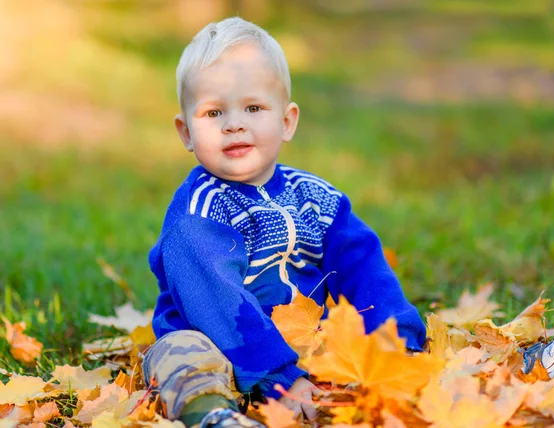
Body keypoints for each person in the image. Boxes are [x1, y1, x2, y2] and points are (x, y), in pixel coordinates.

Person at [144, 16, 425, 428]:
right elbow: (218, 305)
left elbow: (364, 268)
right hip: (220, 344)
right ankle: (214, 416)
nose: (234, 123)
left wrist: (396, 340)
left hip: (303, 345)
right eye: (213, 112)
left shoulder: (315, 198)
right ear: (186, 132)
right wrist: (279, 376)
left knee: (348, 340)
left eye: (253, 108)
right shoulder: (198, 214)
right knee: (181, 356)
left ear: (287, 120)